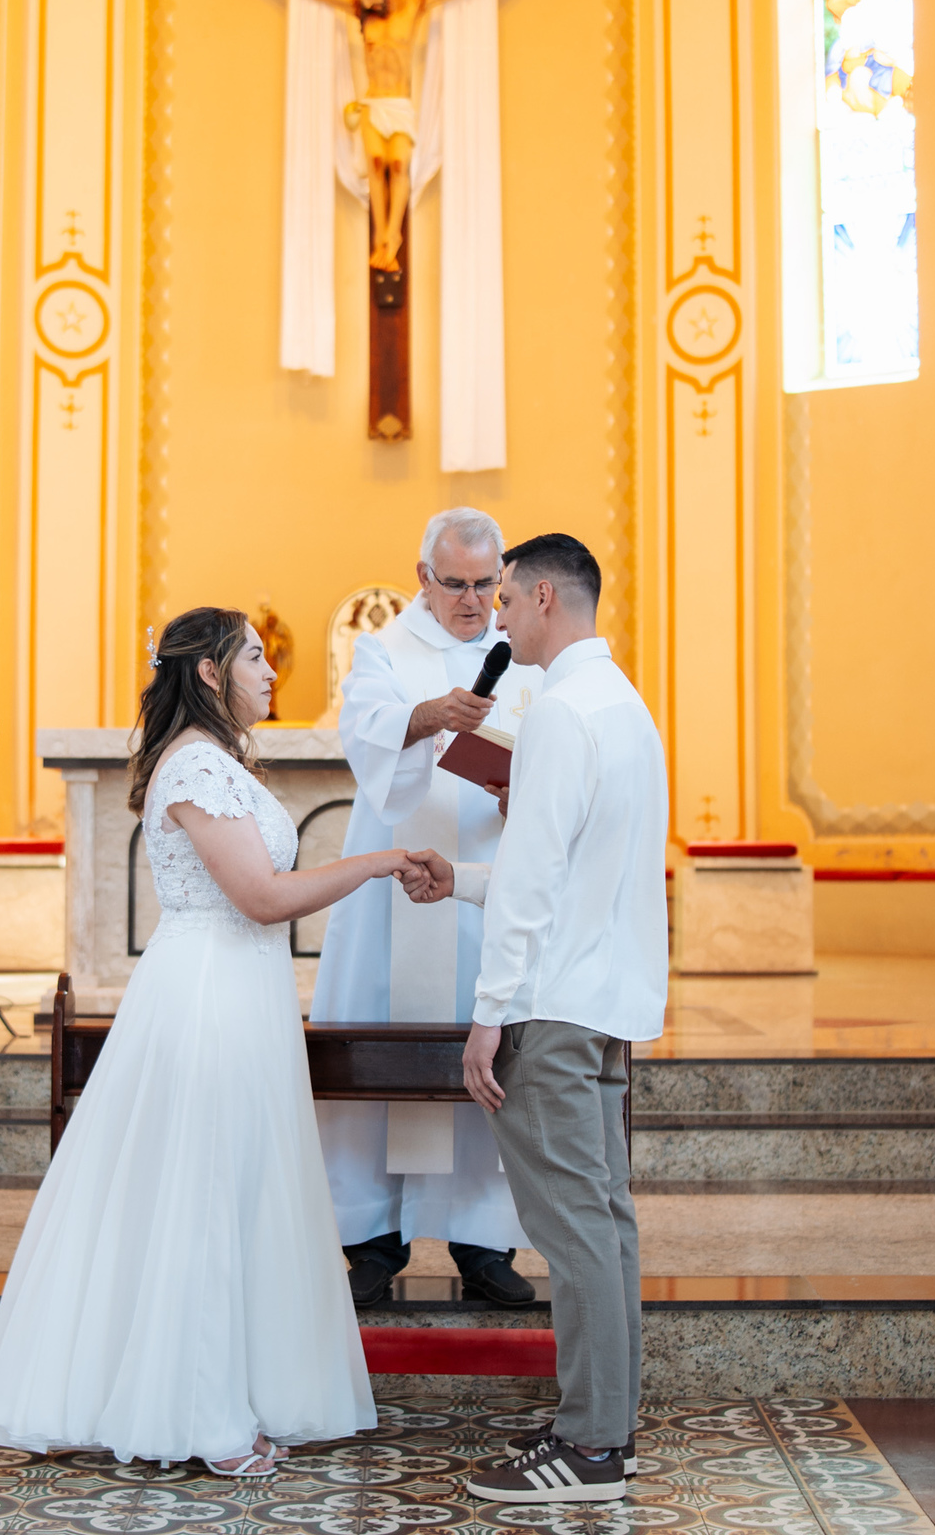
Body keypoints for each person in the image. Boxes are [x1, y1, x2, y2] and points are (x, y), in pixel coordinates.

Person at [0, 607, 415, 1477]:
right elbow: (260, 896)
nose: (270, 671)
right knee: (206, 1194)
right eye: (253, 657)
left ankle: (220, 1389)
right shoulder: (199, 763)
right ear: (210, 673)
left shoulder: (218, 760)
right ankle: (202, 1415)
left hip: (237, 989)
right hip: (209, 993)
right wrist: (378, 862)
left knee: (230, 1189)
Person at [401, 534, 669, 1507]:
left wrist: (488, 1017)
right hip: (601, 1001)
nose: (500, 617)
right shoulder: (627, 707)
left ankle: (591, 1447)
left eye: (509, 597)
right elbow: (574, 874)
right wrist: (463, 880)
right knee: (606, 1220)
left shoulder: (560, 712)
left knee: (574, 1229)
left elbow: (537, 883)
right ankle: (607, 1428)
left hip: (549, 1007)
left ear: (547, 595)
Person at [311, 508, 543, 1308]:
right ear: (423, 578)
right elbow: (366, 732)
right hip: (393, 890)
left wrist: (529, 787)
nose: (475, 601)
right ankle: (372, 1242)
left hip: (483, 885)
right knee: (378, 1051)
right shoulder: (384, 650)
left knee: (485, 1061)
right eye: (457, 584)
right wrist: (431, 716)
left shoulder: (526, 652)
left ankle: (484, 1243)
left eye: (488, 584)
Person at [240, 0, 540, 271]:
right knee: (375, 162)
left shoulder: (414, 5)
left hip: (399, 103)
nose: (365, 5)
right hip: (372, 103)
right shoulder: (360, 11)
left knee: (398, 165)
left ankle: (392, 236)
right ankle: (379, 237)